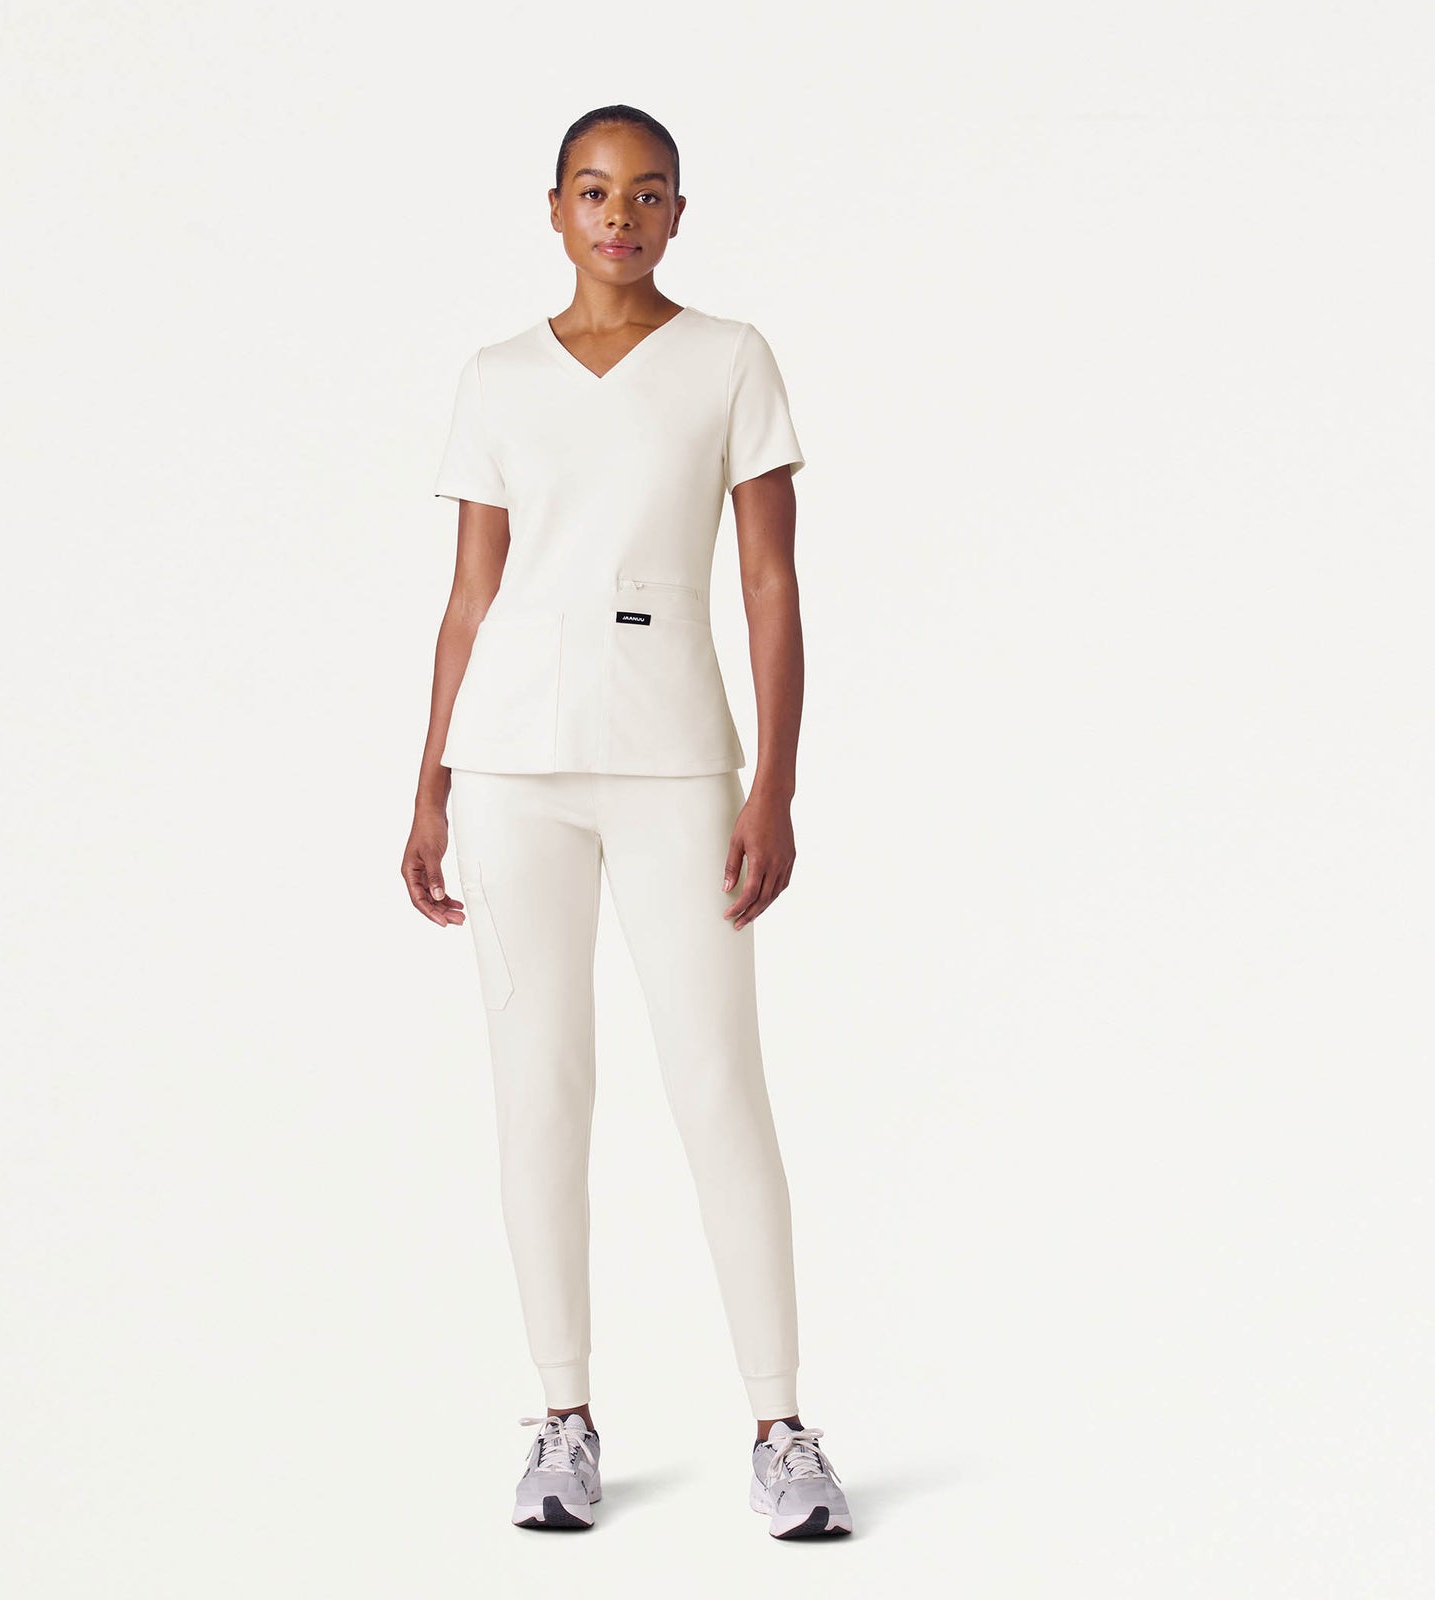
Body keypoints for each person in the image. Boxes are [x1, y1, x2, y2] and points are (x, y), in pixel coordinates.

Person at [402, 104, 852, 1540]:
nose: (619, 216)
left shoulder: (729, 360)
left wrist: (775, 782)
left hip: (675, 764)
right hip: (511, 768)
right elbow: (471, 596)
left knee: (718, 1083)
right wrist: (430, 780)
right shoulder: (496, 377)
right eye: (594, 191)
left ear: (677, 214)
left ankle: (781, 1424)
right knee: (538, 1087)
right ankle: (563, 1415)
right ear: (554, 209)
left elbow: (770, 584)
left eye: (647, 193)